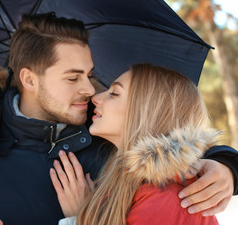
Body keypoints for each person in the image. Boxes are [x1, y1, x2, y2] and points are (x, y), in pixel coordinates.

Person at [0, 13, 238, 225]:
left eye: (90, 75)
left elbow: (169, 139)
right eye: (73, 78)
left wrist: (227, 165)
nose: (89, 90)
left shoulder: (106, 136)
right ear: (30, 79)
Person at [52, 63, 223, 224]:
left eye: (114, 94)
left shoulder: (164, 197)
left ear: (148, 112)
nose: (96, 98)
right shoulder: (132, 184)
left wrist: (78, 218)